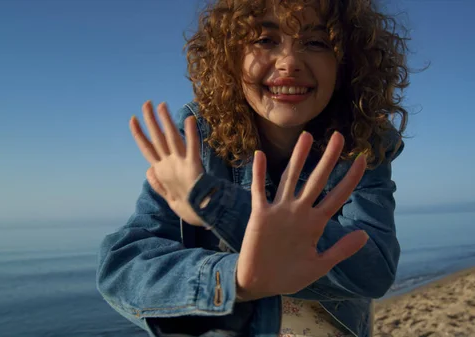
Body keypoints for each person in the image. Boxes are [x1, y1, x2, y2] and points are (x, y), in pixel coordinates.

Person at [96, 0, 410, 336]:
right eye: (264, 40)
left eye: (316, 42)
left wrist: (214, 203)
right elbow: (122, 267)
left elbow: (374, 268)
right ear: (230, 57)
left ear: (346, 64)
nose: (289, 62)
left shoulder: (363, 142)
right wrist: (238, 279)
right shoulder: (197, 135)